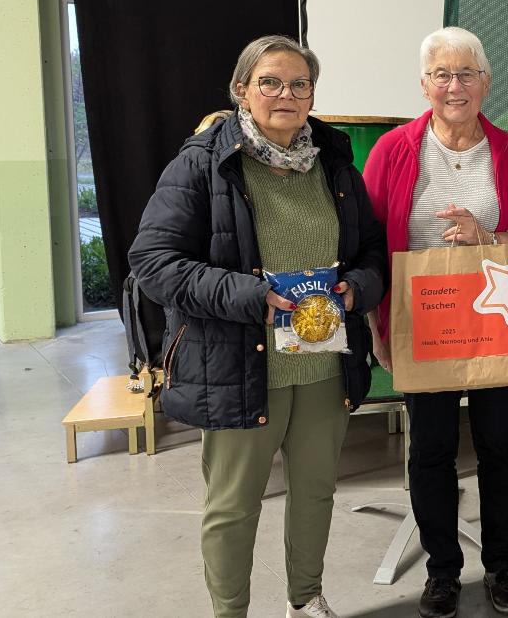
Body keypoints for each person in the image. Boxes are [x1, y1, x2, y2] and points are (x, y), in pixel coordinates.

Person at [128, 35, 386, 618]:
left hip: (324, 362)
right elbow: (151, 261)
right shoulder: (202, 162)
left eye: (299, 84)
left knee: (317, 492)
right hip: (239, 363)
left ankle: (306, 599)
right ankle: (230, 611)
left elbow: (371, 251)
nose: (285, 95)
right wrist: (250, 296)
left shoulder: (337, 164)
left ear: (312, 94)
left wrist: (356, 289)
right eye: (270, 82)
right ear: (242, 90)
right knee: (234, 504)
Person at [361, 26, 508, 618]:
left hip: (500, 318)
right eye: (441, 74)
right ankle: (443, 571)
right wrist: (377, 326)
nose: (454, 85)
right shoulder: (393, 151)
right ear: (424, 84)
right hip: (423, 322)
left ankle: (503, 565)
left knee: (501, 445)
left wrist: (487, 235)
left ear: (486, 82)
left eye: (466, 73)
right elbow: (367, 243)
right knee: (431, 448)